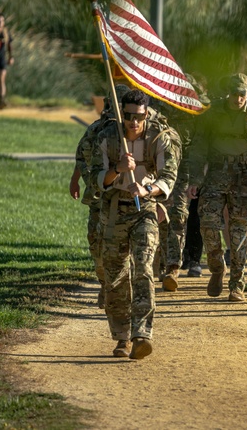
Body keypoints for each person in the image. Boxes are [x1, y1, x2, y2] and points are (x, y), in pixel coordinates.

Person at [91, 88, 180, 359]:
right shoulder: (108, 137)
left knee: (143, 266)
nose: (133, 122)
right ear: (122, 113)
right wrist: (117, 169)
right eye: (128, 116)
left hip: (147, 210)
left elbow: (169, 176)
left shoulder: (160, 137)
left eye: (138, 116)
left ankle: (142, 334)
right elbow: (96, 179)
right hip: (115, 209)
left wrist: (148, 189)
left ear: (146, 114)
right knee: (116, 276)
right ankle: (121, 338)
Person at [187, 73, 247, 302]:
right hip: (216, 174)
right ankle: (216, 266)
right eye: (234, 94)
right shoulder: (213, 114)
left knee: (239, 232)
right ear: (228, 93)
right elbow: (199, 146)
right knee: (208, 223)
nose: (238, 99)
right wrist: (195, 179)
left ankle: (237, 284)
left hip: (242, 178)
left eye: (242, 95)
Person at [70, 84, 129, 307]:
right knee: (97, 243)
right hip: (99, 197)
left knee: (123, 246)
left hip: (125, 197)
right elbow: (82, 155)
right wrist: (76, 179)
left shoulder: (136, 131)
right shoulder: (96, 130)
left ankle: (121, 288)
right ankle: (106, 285)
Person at [155, 73, 209, 291]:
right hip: (158, 167)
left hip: (183, 168)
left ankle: (173, 267)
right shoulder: (158, 104)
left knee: (178, 215)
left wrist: (196, 178)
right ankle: (157, 262)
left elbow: (198, 147)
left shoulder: (196, 113)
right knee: (157, 214)